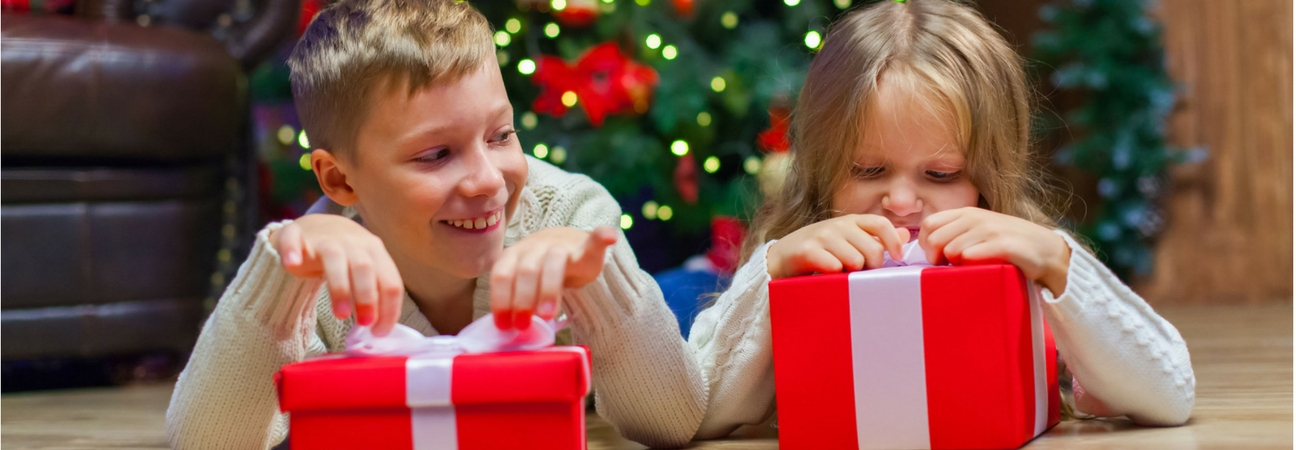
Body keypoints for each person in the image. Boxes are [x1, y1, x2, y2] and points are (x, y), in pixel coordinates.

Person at [165, 0, 707, 447]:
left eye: (501, 136)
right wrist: (279, 272)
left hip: (661, 315)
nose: (488, 182)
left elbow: (673, 421)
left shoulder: (572, 218)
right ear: (340, 182)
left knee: (693, 297)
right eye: (436, 154)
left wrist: (600, 282)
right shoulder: (318, 266)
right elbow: (206, 442)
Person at [686, 0, 1195, 438]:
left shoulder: (1026, 260)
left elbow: (1171, 392)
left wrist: (1058, 263)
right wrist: (773, 269)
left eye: (940, 172)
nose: (903, 202)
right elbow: (694, 410)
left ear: (987, 175)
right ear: (821, 168)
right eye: (868, 170)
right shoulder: (798, 260)